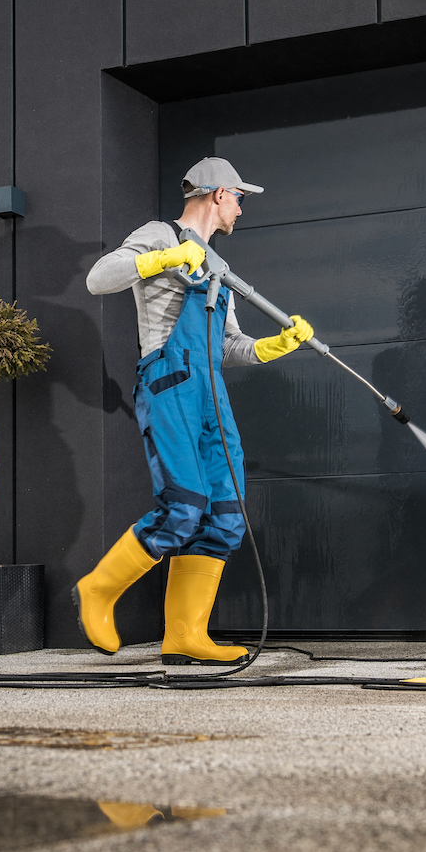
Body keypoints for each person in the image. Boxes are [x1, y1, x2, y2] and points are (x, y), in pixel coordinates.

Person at [75, 158, 314, 664]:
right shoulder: (160, 235)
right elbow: (99, 278)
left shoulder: (219, 271)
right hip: (171, 383)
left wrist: (274, 346)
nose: (241, 210)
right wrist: (162, 260)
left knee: (225, 515)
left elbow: (229, 346)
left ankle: (184, 635)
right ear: (219, 194)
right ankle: (98, 589)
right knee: (184, 506)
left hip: (211, 392)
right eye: (240, 199)